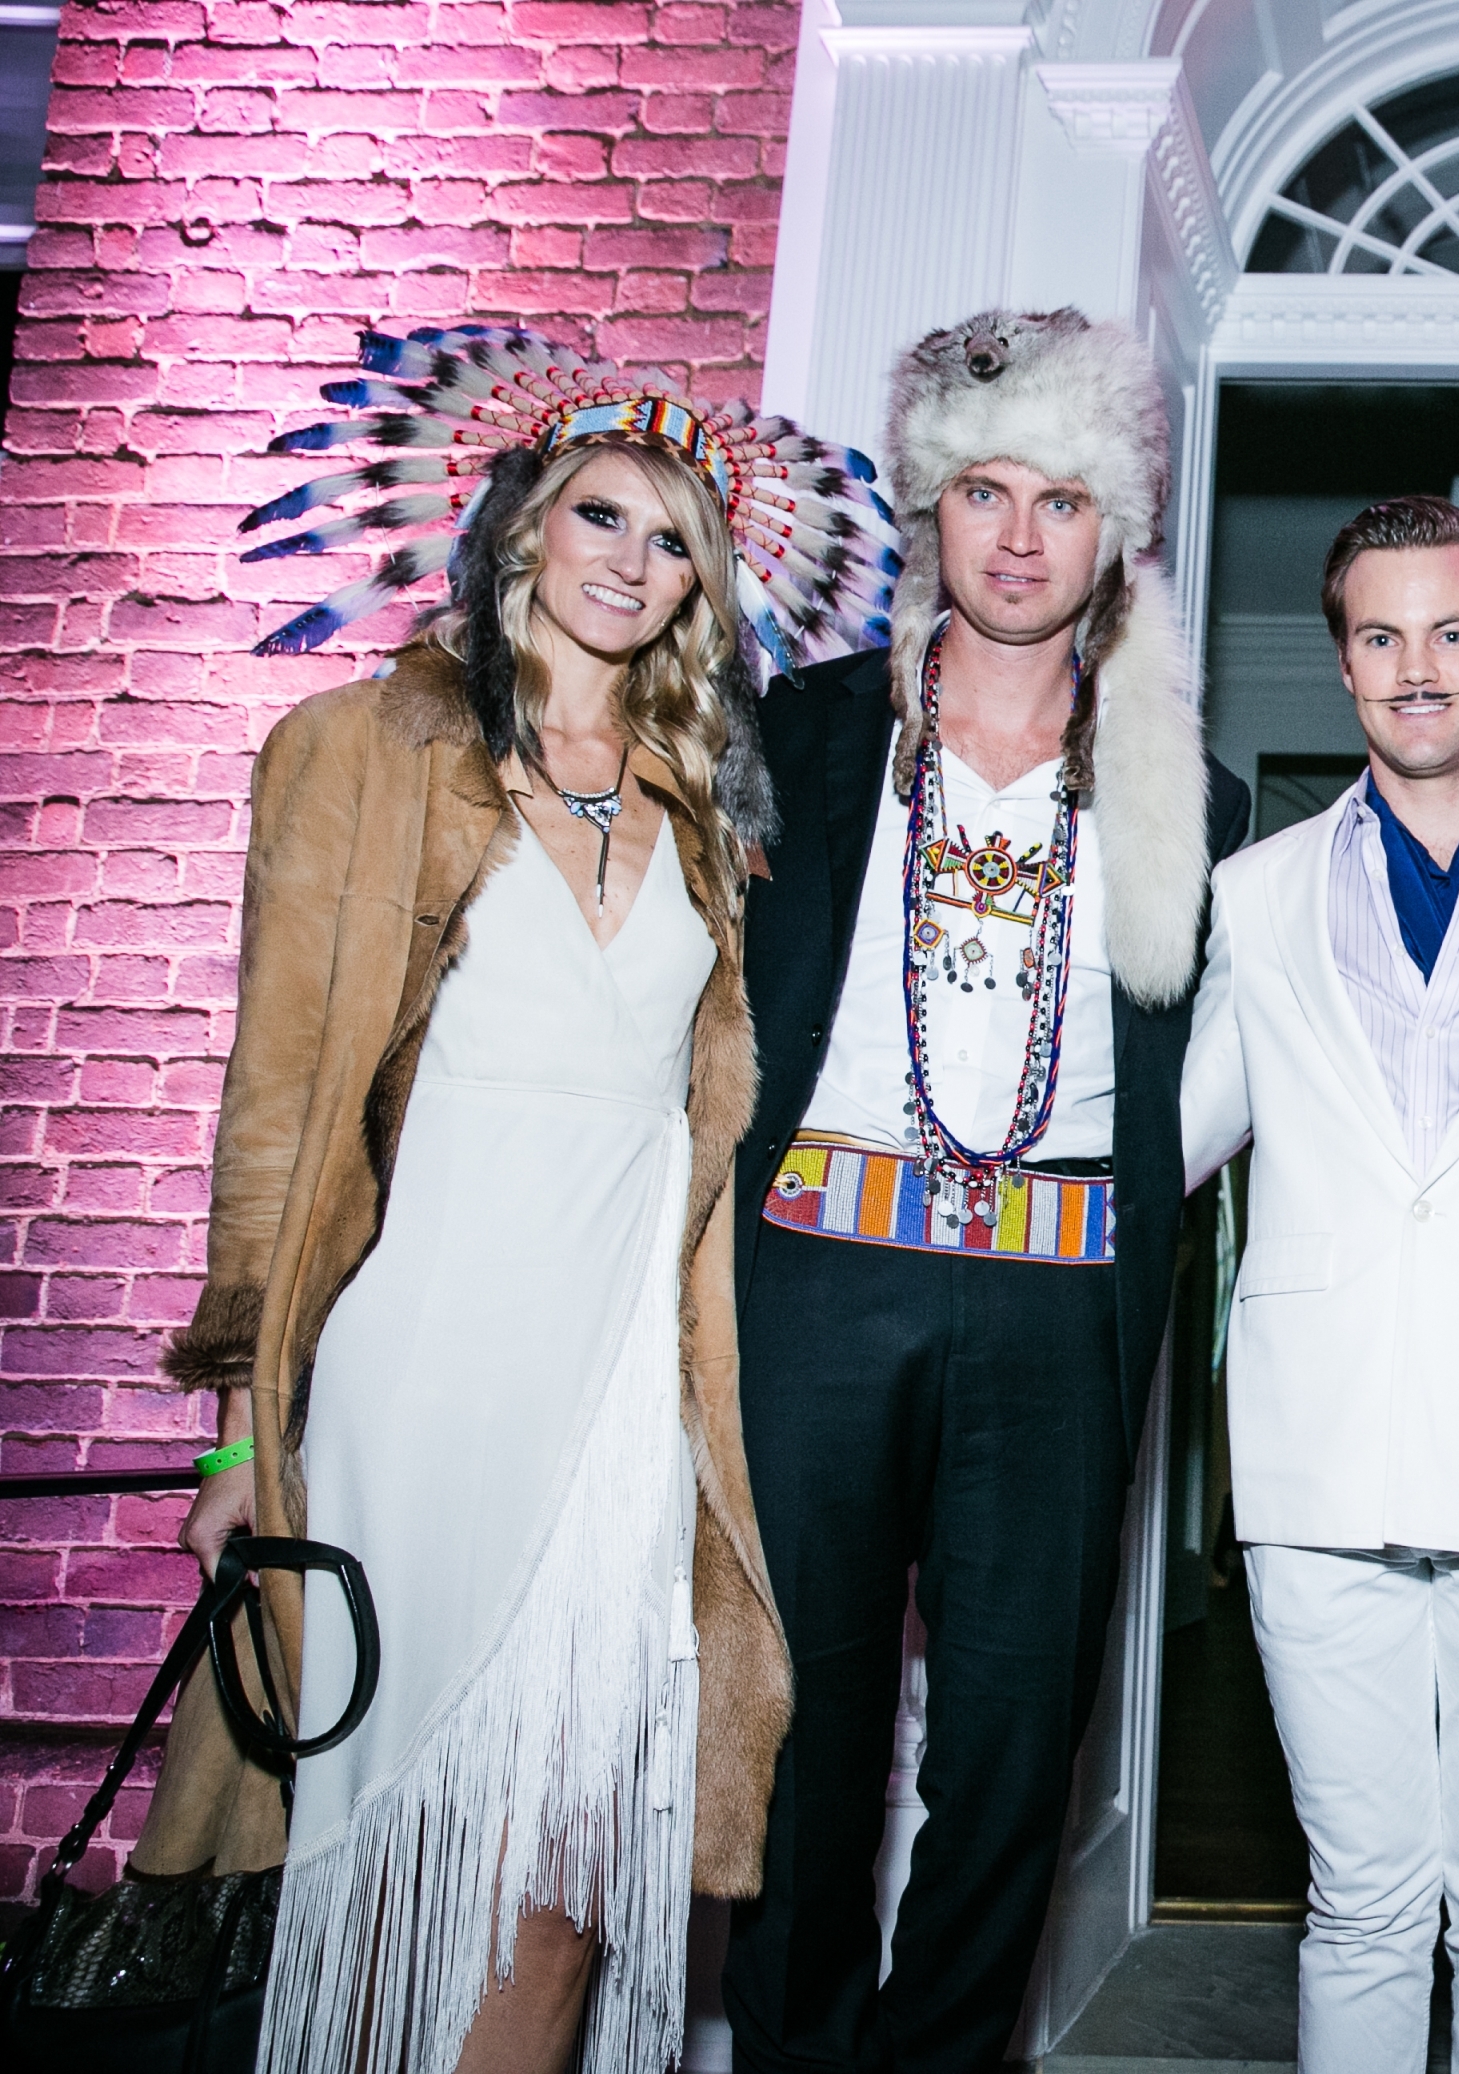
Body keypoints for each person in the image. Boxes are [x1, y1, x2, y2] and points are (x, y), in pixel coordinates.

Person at [154, 323, 892, 2070]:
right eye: (601, 515)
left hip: (627, 1383)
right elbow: (278, 1098)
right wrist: (240, 1433)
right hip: (420, 1366)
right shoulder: (362, 748)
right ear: (521, 528)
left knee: (575, 1871)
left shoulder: (708, 804)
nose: (633, 561)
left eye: (673, 541)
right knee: (400, 1855)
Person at [719, 307, 1249, 2073]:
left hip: (1054, 1305)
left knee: (1013, 1755)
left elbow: (1227, 1070)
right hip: (816, 1284)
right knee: (798, 1741)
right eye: (986, 493)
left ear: (1115, 535)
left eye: (1064, 502)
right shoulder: (795, 738)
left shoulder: (1195, 801)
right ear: (932, 506)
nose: (1021, 538)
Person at [1180, 496, 1459, 2074]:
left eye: (1450, 631)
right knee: (1357, 1903)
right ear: (1343, 662)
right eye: (1379, 635)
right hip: (1317, 1446)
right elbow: (1173, 1141)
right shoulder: (1254, 889)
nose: (1416, 666)